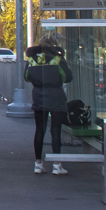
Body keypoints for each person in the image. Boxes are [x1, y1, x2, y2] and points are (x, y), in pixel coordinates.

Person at [25, 36, 74, 175]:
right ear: (53, 45)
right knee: (55, 130)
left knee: (39, 130)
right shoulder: (57, 59)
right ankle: (57, 165)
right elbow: (68, 77)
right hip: (56, 96)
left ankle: (38, 164)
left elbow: (26, 77)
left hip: (39, 97)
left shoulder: (33, 59)